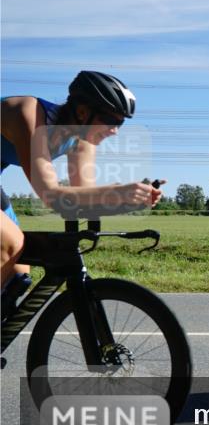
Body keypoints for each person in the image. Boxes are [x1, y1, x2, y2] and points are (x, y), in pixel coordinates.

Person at [1, 70, 163, 297]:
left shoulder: (82, 139)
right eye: (110, 120)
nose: (115, 131)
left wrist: (129, 200)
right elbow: (50, 194)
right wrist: (118, 191)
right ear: (82, 111)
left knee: (17, 273)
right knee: (10, 243)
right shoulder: (28, 113)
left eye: (121, 123)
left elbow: (81, 198)